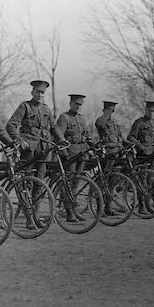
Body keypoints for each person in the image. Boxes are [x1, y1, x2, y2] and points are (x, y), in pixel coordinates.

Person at [6, 80, 66, 227]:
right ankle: (28, 218)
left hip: (44, 150)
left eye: (42, 93)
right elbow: (11, 125)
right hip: (29, 150)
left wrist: (62, 139)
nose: (40, 95)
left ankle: (36, 215)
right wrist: (19, 140)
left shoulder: (46, 109)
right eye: (37, 92)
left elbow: (54, 126)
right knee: (27, 184)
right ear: (32, 92)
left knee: (40, 184)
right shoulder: (24, 106)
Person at [127, 100, 154, 214]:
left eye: (153, 111)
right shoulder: (139, 122)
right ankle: (142, 205)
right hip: (142, 155)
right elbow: (131, 137)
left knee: (152, 179)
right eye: (149, 110)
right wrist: (139, 145)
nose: (151, 113)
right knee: (142, 179)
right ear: (145, 110)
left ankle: (149, 203)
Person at [57, 94, 90, 222]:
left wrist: (90, 144)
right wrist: (64, 154)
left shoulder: (81, 119)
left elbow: (86, 135)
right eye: (76, 104)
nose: (78, 107)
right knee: (69, 183)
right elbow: (58, 137)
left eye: (80, 105)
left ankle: (74, 210)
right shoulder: (64, 118)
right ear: (70, 103)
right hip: (70, 155)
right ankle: (69, 211)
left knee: (76, 183)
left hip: (82, 153)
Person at [95, 100, 126, 172]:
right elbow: (101, 125)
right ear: (105, 110)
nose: (111, 112)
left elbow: (120, 136)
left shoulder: (114, 123)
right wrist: (106, 114)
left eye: (112, 111)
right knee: (107, 171)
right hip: (107, 150)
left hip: (117, 149)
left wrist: (129, 143)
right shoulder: (100, 120)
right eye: (109, 110)